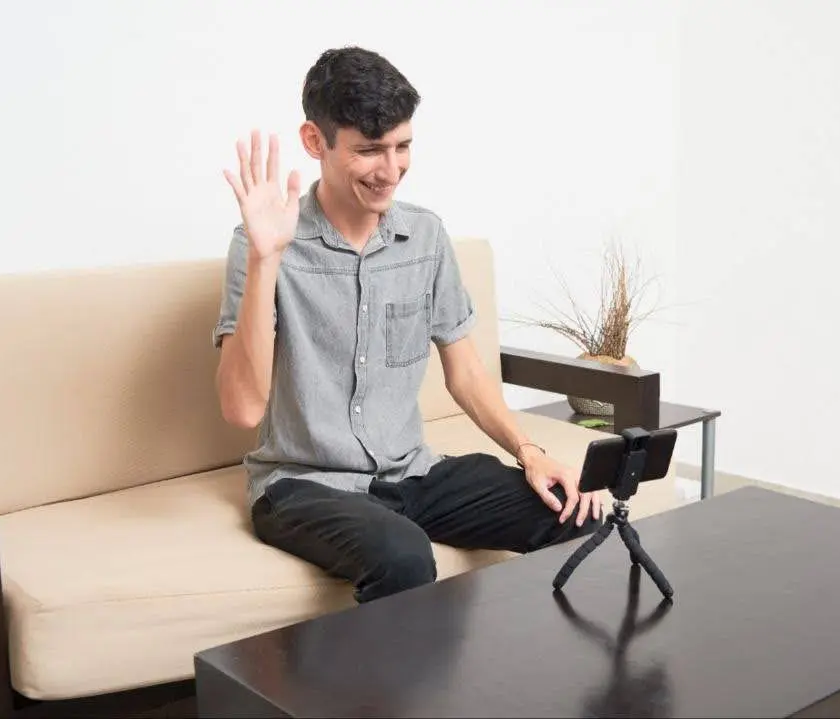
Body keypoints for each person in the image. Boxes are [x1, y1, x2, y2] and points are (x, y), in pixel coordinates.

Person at [213, 46, 602, 604]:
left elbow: (466, 375)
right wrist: (264, 259)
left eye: (402, 147)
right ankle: (369, 695)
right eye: (370, 150)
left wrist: (530, 452)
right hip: (304, 486)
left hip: (413, 473)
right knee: (403, 556)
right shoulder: (261, 245)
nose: (391, 169)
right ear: (314, 141)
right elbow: (242, 409)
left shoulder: (424, 239)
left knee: (577, 515)